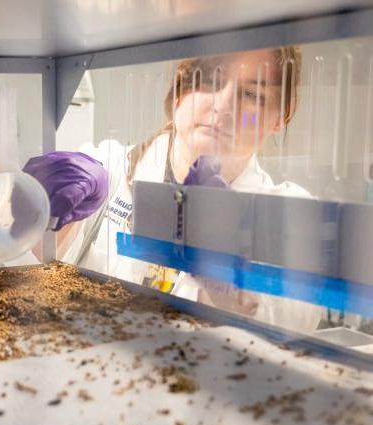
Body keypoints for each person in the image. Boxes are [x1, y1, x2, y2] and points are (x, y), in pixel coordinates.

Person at [24, 46, 323, 333]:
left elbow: (289, 319)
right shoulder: (110, 169)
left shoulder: (291, 215)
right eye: (209, 81)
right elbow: (26, 252)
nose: (223, 105)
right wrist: (33, 202)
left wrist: (223, 265)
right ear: (180, 88)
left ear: (281, 116)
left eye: (250, 94)